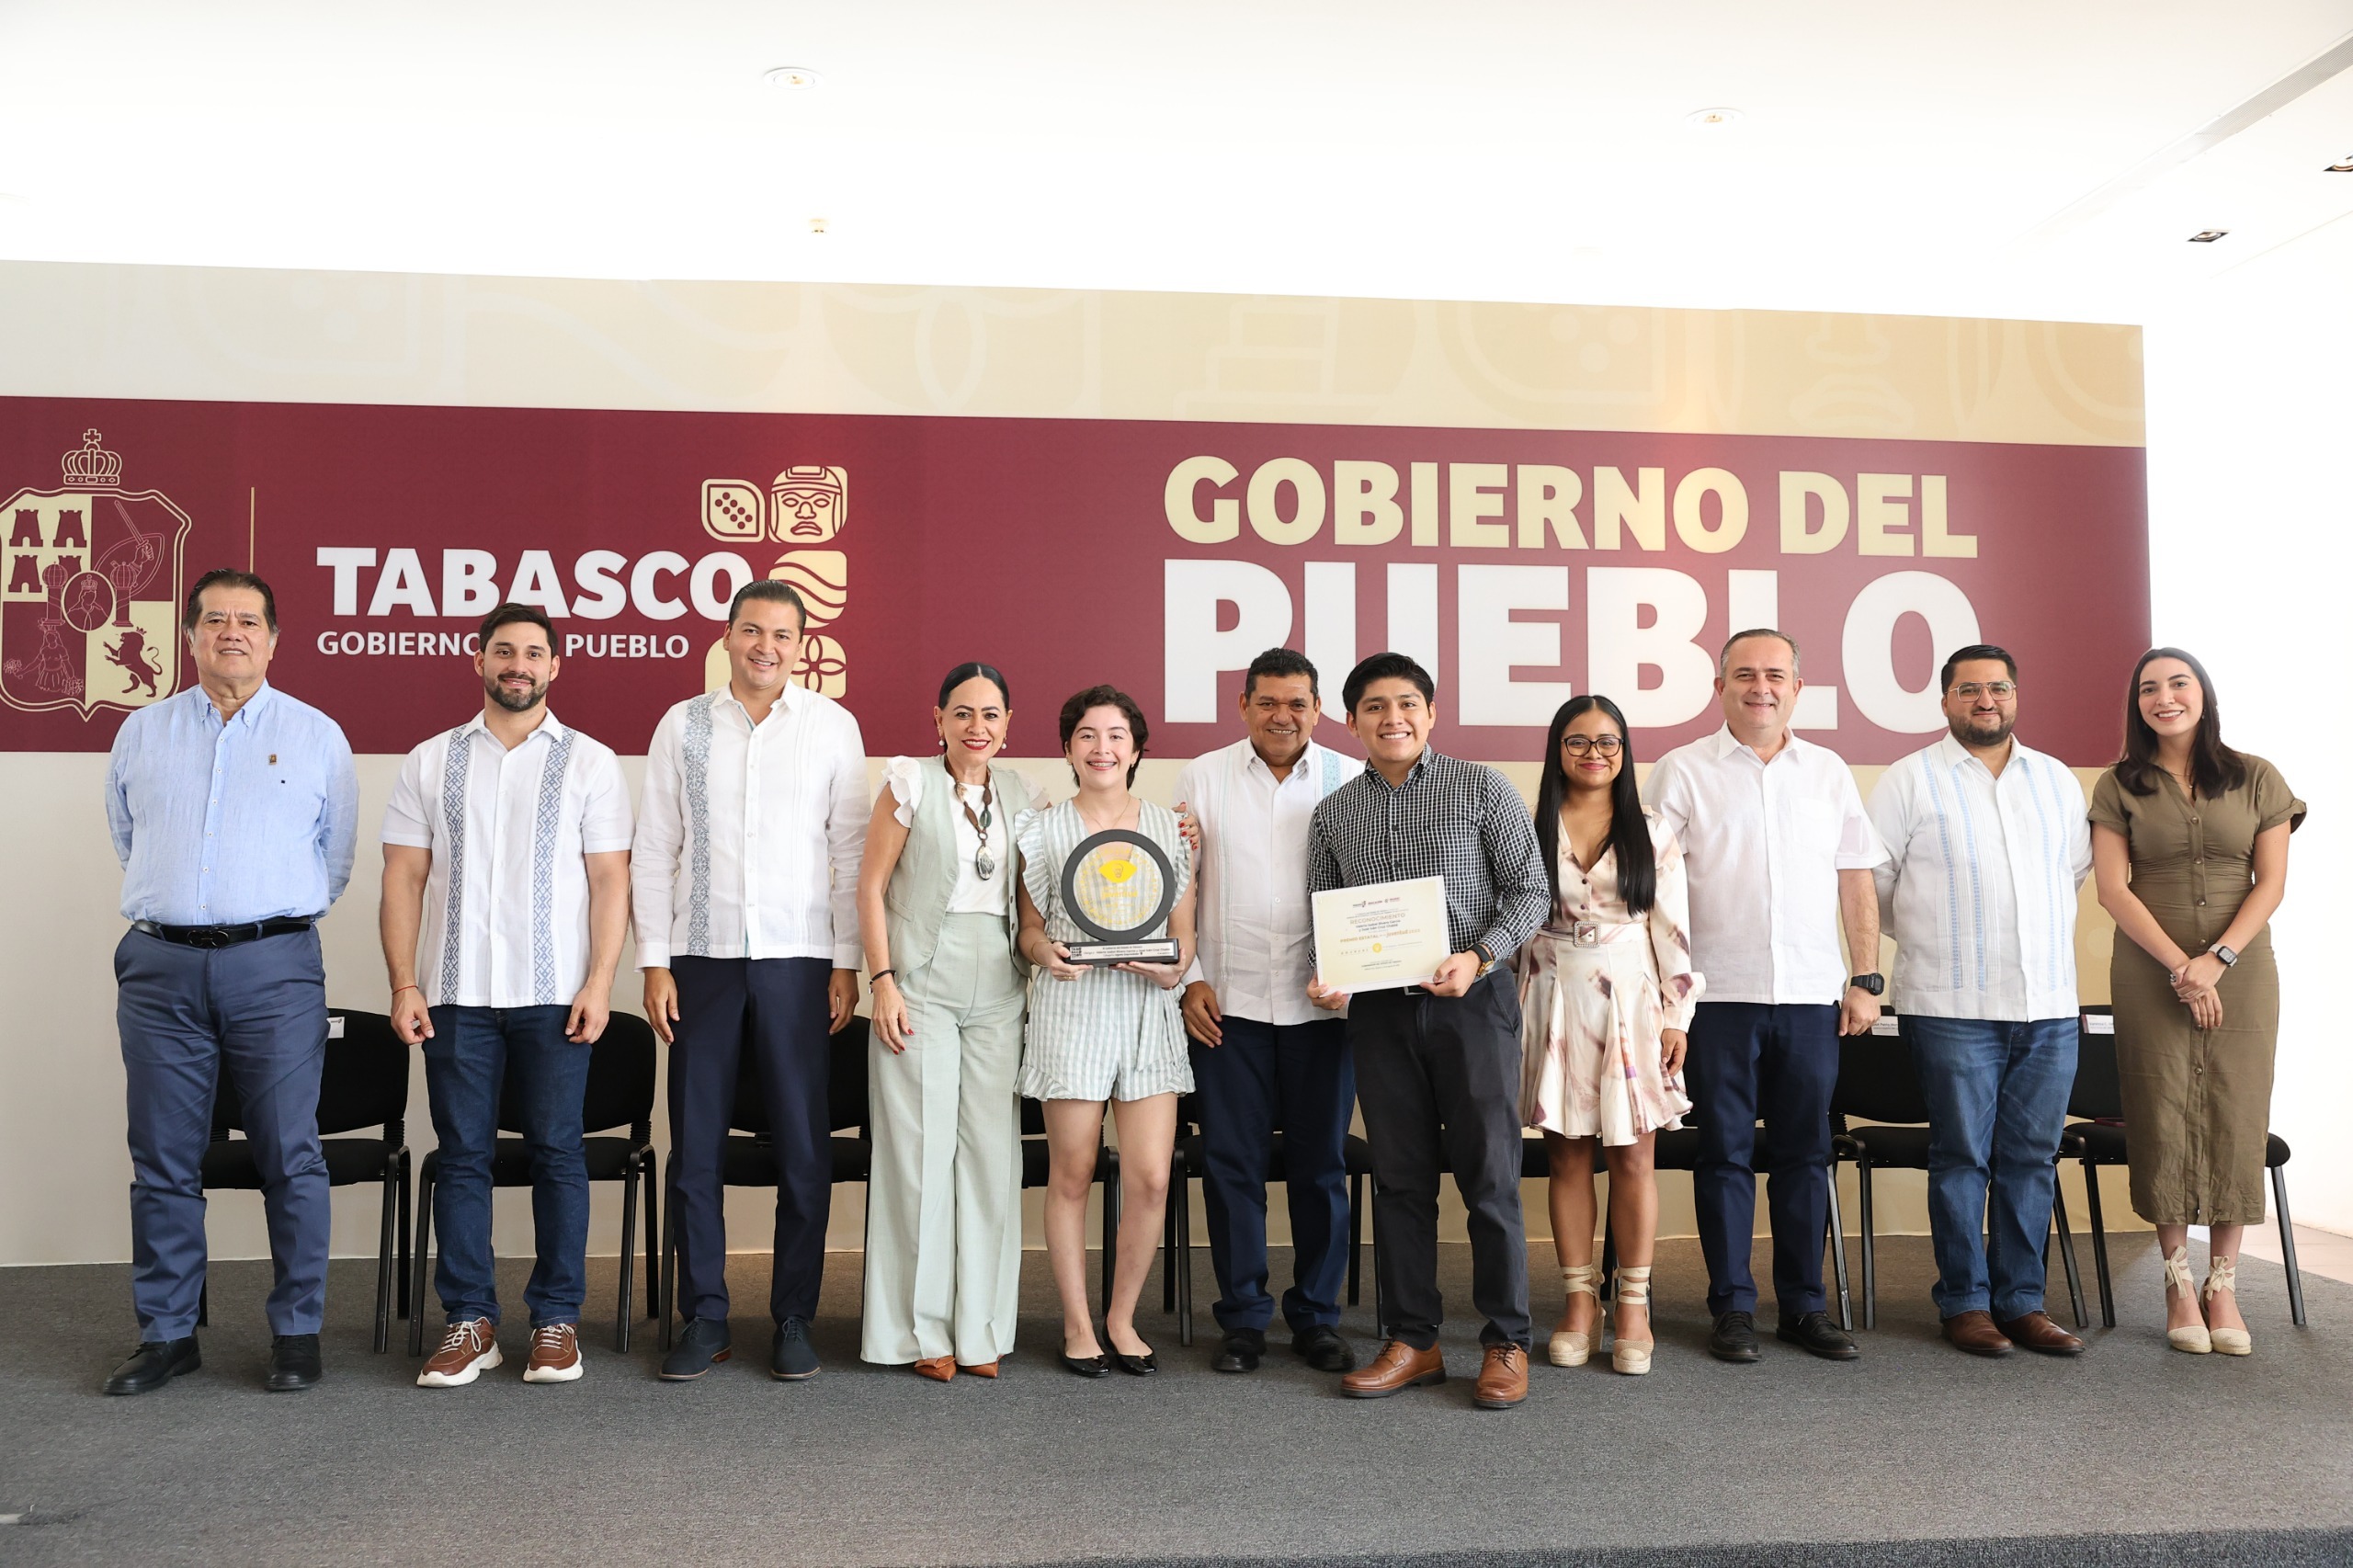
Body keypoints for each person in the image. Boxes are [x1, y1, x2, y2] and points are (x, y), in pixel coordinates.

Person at [102, 570, 358, 1395]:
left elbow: (334, 858)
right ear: (190, 637)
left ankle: (297, 1333)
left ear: (274, 640)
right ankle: (168, 1334)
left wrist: (253, 918)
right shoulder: (142, 732)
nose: (232, 633)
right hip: (160, 968)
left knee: (289, 1152)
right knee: (163, 1157)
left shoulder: (317, 735)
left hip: (273, 966)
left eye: (249, 621)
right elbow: (130, 837)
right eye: (215, 619)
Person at [380, 603, 634, 1388]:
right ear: (479, 661)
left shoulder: (591, 762)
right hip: (455, 995)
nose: (517, 665)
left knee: (558, 1153)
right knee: (463, 1157)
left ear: (554, 666)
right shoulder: (430, 761)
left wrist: (600, 982)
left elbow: (610, 881)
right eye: (503, 651)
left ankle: (557, 1322)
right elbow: (404, 878)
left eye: (532, 653)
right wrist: (404, 982)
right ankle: (471, 1322)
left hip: (556, 997)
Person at [634, 579, 868, 1382]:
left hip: (800, 960)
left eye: (782, 634)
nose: (766, 646)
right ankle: (705, 1317)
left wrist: (846, 961)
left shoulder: (831, 726)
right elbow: (655, 848)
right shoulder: (683, 724)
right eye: (752, 630)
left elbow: (850, 854)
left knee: (803, 1148)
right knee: (695, 1147)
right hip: (700, 962)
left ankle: (794, 1316)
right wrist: (654, 961)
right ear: (728, 636)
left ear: (801, 646)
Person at [1310, 652, 1549, 1412]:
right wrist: (1328, 974)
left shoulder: (1482, 788)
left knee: (1490, 1177)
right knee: (1400, 1180)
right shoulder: (1334, 814)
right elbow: (1326, 916)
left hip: (1472, 1002)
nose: (1393, 718)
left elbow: (1530, 891)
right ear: (1352, 721)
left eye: (1407, 703)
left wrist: (1477, 956)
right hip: (1380, 1013)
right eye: (1375, 707)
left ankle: (1507, 1340)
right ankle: (1414, 1340)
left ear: (1431, 712)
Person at [1644, 629, 1886, 1365]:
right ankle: (1732, 1307)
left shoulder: (1828, 771)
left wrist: (1866, 977)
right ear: (1720, 687)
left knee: (1804, 1155)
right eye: (1745, 675)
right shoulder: (1682, 770)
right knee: (1722, 1155)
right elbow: (1653, 890)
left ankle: (1804, 1307)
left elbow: (1855, 878)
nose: (1761, 687)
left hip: (1811, 998)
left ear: (1797, 688)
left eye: (1776, 675)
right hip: (1716, 999)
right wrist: (1667, 998)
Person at [1868, 645, 2091, 1358]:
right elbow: (1875, 885)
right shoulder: (1909, 780)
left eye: (1998, 688)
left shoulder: (2055, 781)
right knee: (1962, 1156)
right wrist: (1938, 935)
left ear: (2016, 696)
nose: (1986, 700)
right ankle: (1965, 1302)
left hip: (2047, 1004)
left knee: (2031, 1157)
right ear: (1945, 701)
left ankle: (2022, 1303)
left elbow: (2070, 875)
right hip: (1951, 1004)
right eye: (1969, 690)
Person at [2089, 647, 2301, 1356]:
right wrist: (2182, 967)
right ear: (2137, 704)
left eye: (2178, 683)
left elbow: (2271, 883)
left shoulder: (2257, 777)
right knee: (2162, 1106)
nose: (2165, 697)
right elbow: (2113, 888)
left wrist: (2218, 961)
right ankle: (2179, 1279)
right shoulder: (2119, 784)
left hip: (2242, 968)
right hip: (2150, 969)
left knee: (2238, 1108)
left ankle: (2223, 1284)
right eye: (2149, 688)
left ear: (2203, 693)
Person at [1173, 648, 1360, 1377]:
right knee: (1232, 1167)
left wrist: (1354, 978)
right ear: (1244, 705)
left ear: (1319, 710)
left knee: (1321, 1168)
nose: (1283, 716)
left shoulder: (1351, 777)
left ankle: (1316, 1317)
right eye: (1269, 702)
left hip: (1325, 1010)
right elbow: (1180, 884)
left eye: (1298, 703)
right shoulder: (1203, 776)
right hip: (1228, 1006)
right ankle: (1244, 1320)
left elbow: (1371, 888)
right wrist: (1190, 979)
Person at [857, 663, 1038, 1381]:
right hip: (919, 982)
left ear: (1007, 724)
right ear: (939, 720)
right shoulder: (909, 784)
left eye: (991, 714)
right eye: (962, 713)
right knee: (921, 1157)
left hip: (1000, 984)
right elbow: (870, 886)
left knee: (992, 1158)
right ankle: (920, 1331)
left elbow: (1035, 894)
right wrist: (883, 982)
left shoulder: (1023, 794)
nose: (977, 727)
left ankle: (981, 1329)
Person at [1015, 685, 1196, 1378]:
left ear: (1137, 748)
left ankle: (1122, 1318)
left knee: (1150, 1176)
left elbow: (1183, 938)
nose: (1102, 748)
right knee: (1074, 1171)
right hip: (1072, 1007)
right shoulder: (1041, 830)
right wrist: (1045, 954)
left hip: (1147, 1013)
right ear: (1067, 749)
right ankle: (1076, 1324)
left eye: (1117, 735)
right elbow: (1029, 929)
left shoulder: (1173, 829)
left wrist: (1171, 969)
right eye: (1087, 735)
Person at [1518, 694, 1701, 1378]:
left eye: (1607, 742)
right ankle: (1578, 1304)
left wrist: (1677, 1017)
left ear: (1623, 751)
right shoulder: (1527, 823)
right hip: (1552, 1000)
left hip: (1633, 1003)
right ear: (1556, 749)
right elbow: (1508, 922)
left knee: (1633, 1158)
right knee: (1566, 1159)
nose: (1593, 753)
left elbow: (1673, 930)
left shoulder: (1651, 829)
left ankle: (1632, 1306)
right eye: (1577, 741)